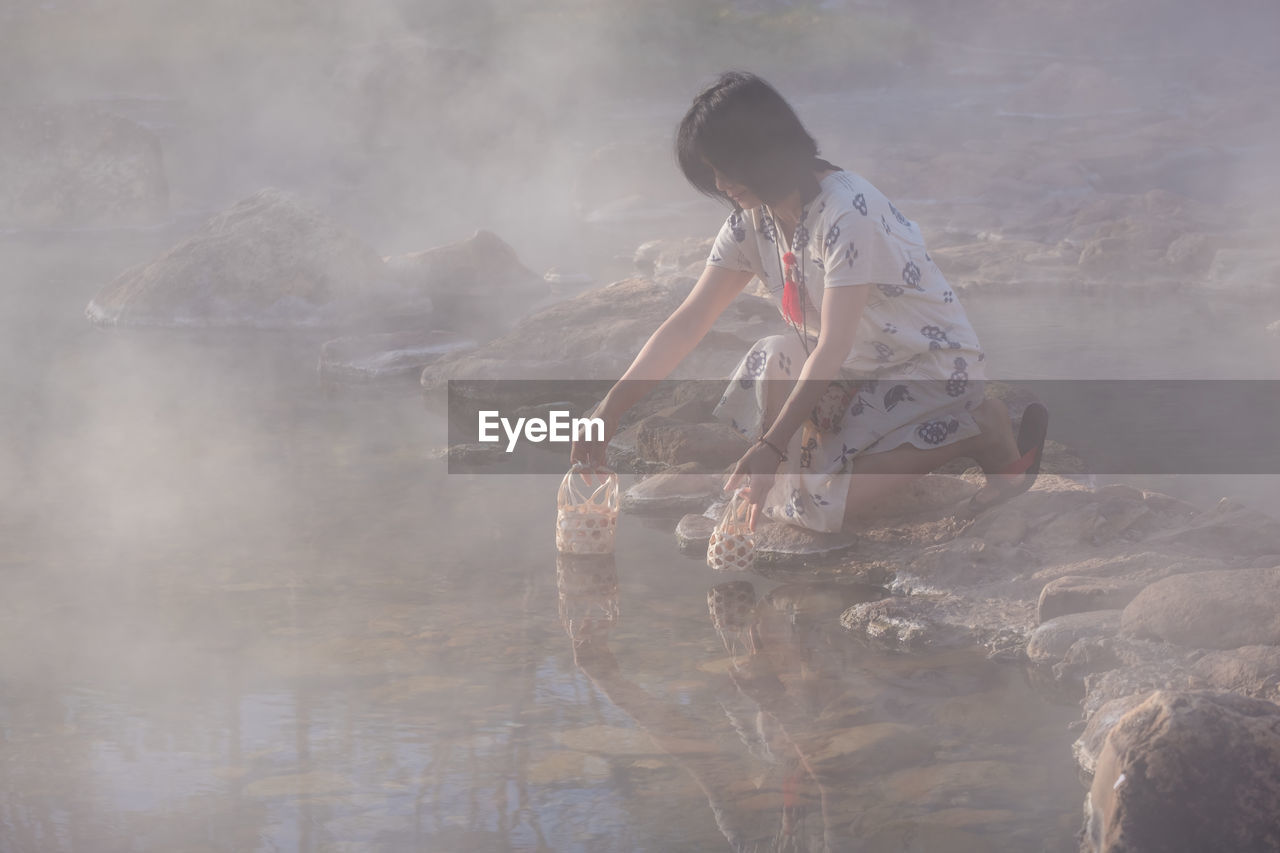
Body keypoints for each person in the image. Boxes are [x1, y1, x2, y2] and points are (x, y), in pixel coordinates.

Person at [571, 71, 1047, 533]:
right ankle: (834, 460)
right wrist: (609, 410)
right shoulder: (751, 221)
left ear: (764, 151)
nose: (719, 185)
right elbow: (689, 322)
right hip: (857, 372)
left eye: (725, 167)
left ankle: (982, 427)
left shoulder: (846, 210)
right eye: (710, 172)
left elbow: (833, 346)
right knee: (774, 355)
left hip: (927, 369)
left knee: (811, 509)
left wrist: (771, 445)